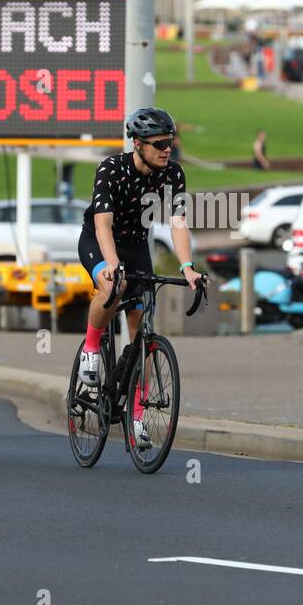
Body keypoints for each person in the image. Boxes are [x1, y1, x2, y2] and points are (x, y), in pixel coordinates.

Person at [76, 108, 202, 447]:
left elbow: (177, 223)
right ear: (138, 143)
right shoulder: (112, 168)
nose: (167, 150)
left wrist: (187, 267)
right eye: (159, 144)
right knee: (110, 286)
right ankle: (91, 348)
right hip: (99, 240)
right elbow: (102, 224)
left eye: (170, 143)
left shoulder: (172, 174)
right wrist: (113, 265)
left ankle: (136, 419)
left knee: (142, 331)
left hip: (135, 244)